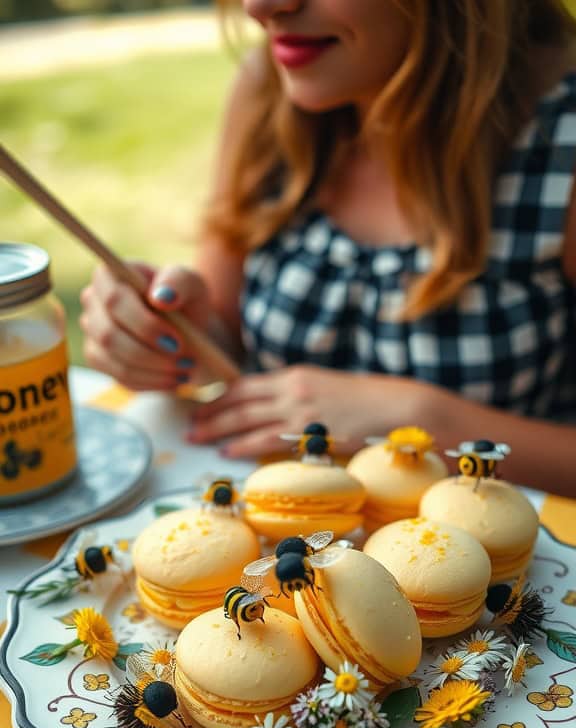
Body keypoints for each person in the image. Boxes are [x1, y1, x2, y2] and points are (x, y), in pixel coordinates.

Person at [80, 0, 576, 496]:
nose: (259, 7)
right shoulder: (270, 85)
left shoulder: (562, 137)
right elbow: (223, 338)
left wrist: (425, 422)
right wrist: (166, 335)